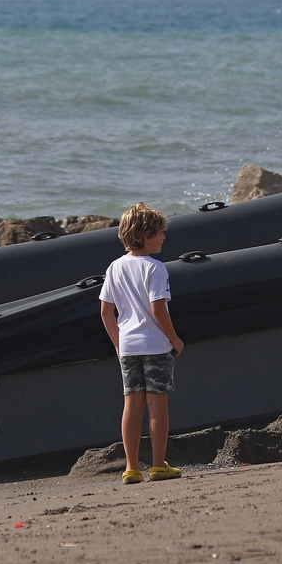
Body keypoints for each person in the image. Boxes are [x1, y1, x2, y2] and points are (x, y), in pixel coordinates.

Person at [99, 202, 185, 485]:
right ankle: (158, 465)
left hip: (128, 346)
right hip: (155, 345)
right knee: (157, 407)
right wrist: (175, 339)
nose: (164, 237)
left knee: (131, 407)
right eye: (160, 232)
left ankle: (131, 467)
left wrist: (117, 344)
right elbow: (158, 308)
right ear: (146, 235)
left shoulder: (114, 267)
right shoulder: (156, 268)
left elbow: (105, 311)